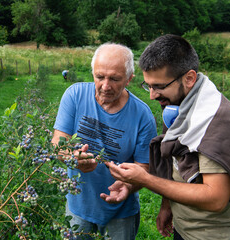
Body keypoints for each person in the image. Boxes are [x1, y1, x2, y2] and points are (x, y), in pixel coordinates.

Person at [102, 34, 230, 240]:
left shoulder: (217, 124)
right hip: (185, 227)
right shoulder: (181, 105)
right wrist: (167, 204)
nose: (152, 95)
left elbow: (216, 198)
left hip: (212, 234)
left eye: (159, 86)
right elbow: (177, 161)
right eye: (148, 85)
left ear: (189, 78)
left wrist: (146, 179)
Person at [51, 43, 157, 239]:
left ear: (129, 79)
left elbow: (144, 167)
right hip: (77, 207)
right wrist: (73, 157)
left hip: (121, 213)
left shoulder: (143, 115)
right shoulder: (74, 95)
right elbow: (58, 142)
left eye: (115, 79)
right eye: (100, 77)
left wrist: (129, 186)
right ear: (92, 73)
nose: (105, 86)